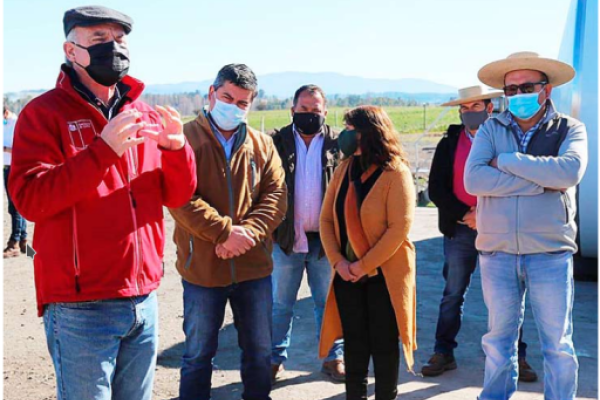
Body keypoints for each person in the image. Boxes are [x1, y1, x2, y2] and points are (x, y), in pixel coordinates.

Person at [8, 6, 197, 400]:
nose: (114, 48)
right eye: (99, 39)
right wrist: (103, 150)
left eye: (120, 40)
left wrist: (177, 150)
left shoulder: (143, 114)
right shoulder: (43, 114)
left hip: (143, 299)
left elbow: (177, 196)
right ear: (70, 50)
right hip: (81, 307)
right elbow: (30, 200)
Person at [465, 52, 587, 400]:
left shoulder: (569, 128)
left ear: (546, 90)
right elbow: (474, 179)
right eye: (511, 89)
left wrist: (507, 160)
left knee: (558, 345)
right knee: (498, 342)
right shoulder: (491, 128)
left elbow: (569, 172)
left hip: (550, 253)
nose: (518, 94)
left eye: (527, 87)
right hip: (497, 253)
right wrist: (539, 182)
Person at [168, 63, 287, 400]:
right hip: (202, 270)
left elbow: (276, 196)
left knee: (259, 352)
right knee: (197, 354)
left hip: (254, 269)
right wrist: (223, 233)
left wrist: (246, 234)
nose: (234, 107)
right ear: (211, 93)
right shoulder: (183, 140)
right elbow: (178, 197)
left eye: (242, 102)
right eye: (227, 98)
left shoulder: (263, 145)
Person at [422, 85, 538, 382]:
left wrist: (485, 214)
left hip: (499, 230)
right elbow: (437, 188)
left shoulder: (506, 141)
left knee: (507, 295)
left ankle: (515, 356)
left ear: (489, 108)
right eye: (464, 108)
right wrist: (465, 214)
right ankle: (443, 352)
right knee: (453, 293)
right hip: (461, 230)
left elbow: (515, 181)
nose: (469, 113)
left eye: (475, 107)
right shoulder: (449, 143)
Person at [319, 106, 417, 400]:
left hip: (384, 277)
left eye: (351, 129)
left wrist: (364, 265)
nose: (345, 135)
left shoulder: (395, 172)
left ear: (369, 132)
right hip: (347, 276)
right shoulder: (343, 169)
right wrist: (339, 262)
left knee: (384, 347)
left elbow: (399, 229)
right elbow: (326, 220)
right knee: (354, 346)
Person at [270, 84, 345, 383]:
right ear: (292, 110)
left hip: (326, 241)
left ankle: (333, 357)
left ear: (325, 111)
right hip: (286, 239)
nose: (309, 114)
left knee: (328, 303)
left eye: (315, 110)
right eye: (303, 109)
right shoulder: (276, 142)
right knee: (279, 304)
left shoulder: (338, 144)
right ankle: (274, 359)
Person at [3, 105, 28, 258]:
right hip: (6, 167)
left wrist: (5, 149)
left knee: (15, 206)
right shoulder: (4, 124)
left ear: (6, 112)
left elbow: (22, 149)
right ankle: (23, 240)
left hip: (16, 168)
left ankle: (15, 242)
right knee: (13, 206)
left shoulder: (16, 123)